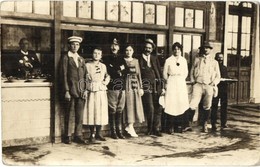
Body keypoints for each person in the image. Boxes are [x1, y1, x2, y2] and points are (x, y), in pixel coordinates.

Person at [186, 41, 221, 133]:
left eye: (207, 48)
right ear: (202, 49)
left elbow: (218, 76)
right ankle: (188, 124)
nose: (206, 49)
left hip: (208, 85)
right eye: (204, 48)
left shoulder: (214, 62)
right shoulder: (197, 60)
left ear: (210, 50)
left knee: (207, 106)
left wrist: (213, 83)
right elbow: (192, 71)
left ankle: (204, 124)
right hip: (198, 84)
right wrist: (193, 81)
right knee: (192, 104)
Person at [61, 36, 87, 144]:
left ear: (79, 46)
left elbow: (85, 75)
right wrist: (66, 90)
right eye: (73, 44)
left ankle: (78, 135)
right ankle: (67, 136)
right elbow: (63, 75)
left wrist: (85, 89)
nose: (75, 46)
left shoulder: (81, 59)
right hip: (71, 91)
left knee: (79, 114)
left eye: (77, 44)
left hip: (81, 91)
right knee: (69, 113)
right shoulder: (66, 58)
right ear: (69, 45)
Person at [83, 47, 110, 143]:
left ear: (101, 55)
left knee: (100, 111)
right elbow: (85, 79)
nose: (96, 55)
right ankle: (92, 134)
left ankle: (99, 133)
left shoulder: (103, 66)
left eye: (99, 53)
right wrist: (86, 89)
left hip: (101, 90)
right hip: (92, 90)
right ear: (92, 54)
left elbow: (107, 76)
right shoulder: (87, 65)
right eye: (95, 53)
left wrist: (105, 82)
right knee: (92, 111)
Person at [139, 39, 164, 137]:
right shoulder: (139, 58)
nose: (147, 49)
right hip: (146, 86)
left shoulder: (154, 58)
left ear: (152, 49)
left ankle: (156, 129)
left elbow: (160, 73)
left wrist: (162, 87)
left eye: (150, 48)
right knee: (150, 107)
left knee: (158, 107)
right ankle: (149, 128)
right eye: (146, 47)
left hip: (156, 86)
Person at [163, 42, 189, 133]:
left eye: (178, 49)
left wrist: (180, 79)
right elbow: (165, 74)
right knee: (171, 103)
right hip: (172, 82)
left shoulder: (183, 60)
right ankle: (170, 127)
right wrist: (169, 81)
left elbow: (186, 72)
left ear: (180, 50)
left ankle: (179, 126)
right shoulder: (168, 60)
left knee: (180, 103)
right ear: (172, 50)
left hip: (181, 82)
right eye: (175, 49)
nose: (176, 51)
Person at [103, 39, 126, 139]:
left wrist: (117, 69)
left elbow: (126, 70)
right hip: (112, 87)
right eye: (112, 45)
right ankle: (113, 132)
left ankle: (119, 131)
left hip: (122, 87)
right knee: (112, 109)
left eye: (116, 45)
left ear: (119, 47)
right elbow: (110, 71)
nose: (114, 47)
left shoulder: (122, 58)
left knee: (120, 109)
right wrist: (118, 69)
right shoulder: (106, 59)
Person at [123, 44, 145, 137]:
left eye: (130, 50)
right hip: (126, 84)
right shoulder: (123, 60)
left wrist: (141, 87)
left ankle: (130, 126)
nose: (128, 52)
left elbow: (139, 74)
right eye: (127, 50)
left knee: (135, 104)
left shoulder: (136, 61)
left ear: (133, 51)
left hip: (135, 84)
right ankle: (129, 126)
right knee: (129, 105)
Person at [211, 52, 229, 131]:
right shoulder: (213, 67)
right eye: (218, 57)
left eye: (221, 57)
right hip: (216, 88)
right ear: (215, 58)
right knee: (214, 106)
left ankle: (223, 123)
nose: (220, 59)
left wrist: (230, 80)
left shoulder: (224, 68)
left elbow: (226, 77)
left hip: (224, 89)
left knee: (224, 106)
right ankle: (213, 123)